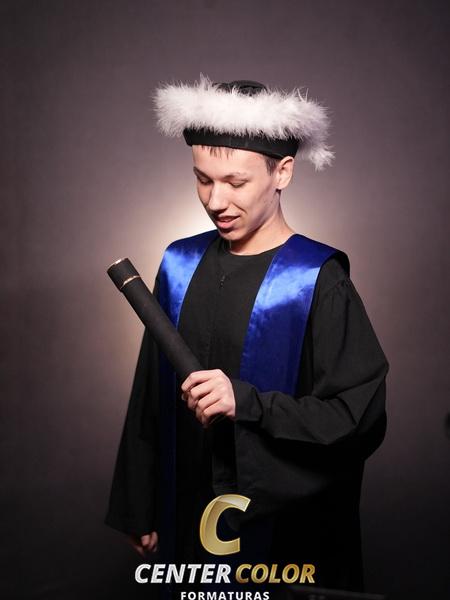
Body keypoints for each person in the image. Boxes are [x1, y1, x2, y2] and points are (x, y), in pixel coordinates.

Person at [105, 76, 389, 593]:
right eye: (203, 180)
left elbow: (357, 418)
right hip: (190, 510)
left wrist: (248, 404)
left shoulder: (315, 279)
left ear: (283, 172)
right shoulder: (180, 264)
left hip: (283, 534)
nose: (216, 200)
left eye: (235, 183)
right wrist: (137, 503)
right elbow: (151, 394)